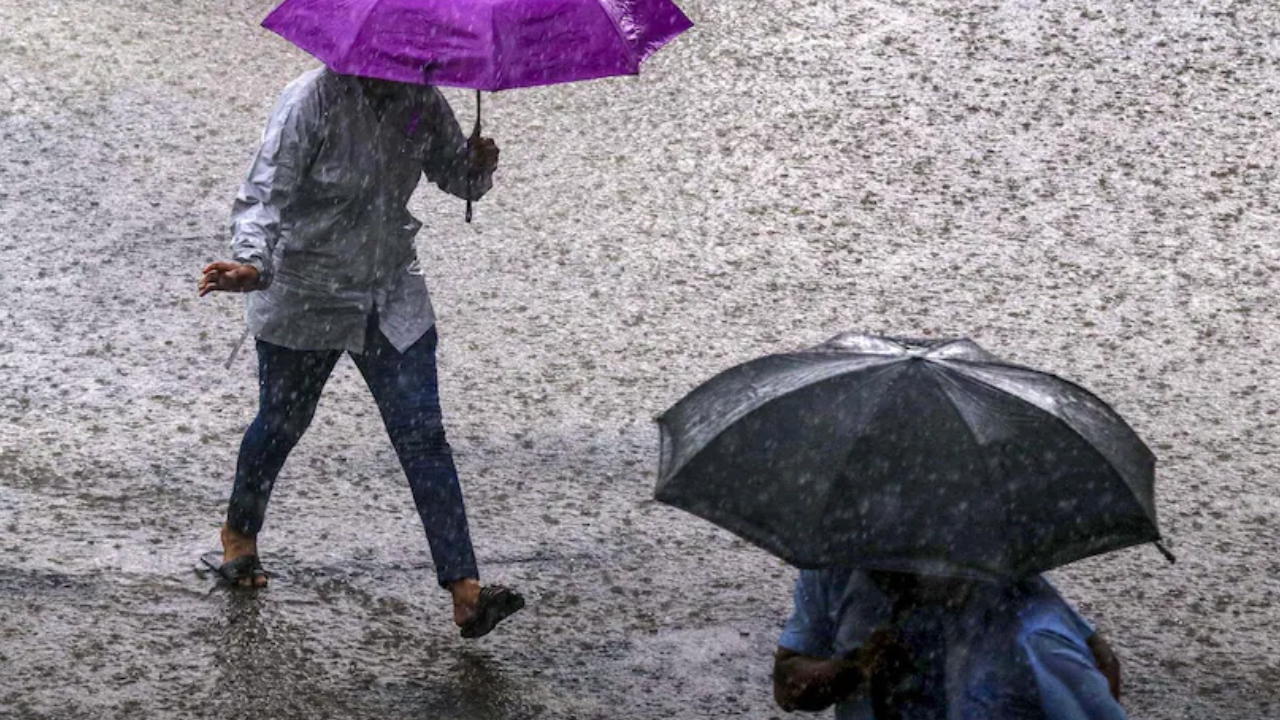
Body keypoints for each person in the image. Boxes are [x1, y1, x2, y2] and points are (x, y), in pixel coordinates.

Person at [198, 66, 524, 639]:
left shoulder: (421, 98)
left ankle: (465, 591)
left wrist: (476, 168)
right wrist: (252, 263)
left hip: (389, 291)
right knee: (282, 419)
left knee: (423, 436)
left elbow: (454, 176)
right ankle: (239, 534)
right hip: (307, 287)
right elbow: (263, 193)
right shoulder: (309, 101)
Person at [773, 568, 1125, 719]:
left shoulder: (990, 571)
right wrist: (854, 667)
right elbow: (787, 682)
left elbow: (1099, 659)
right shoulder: (835, 565)